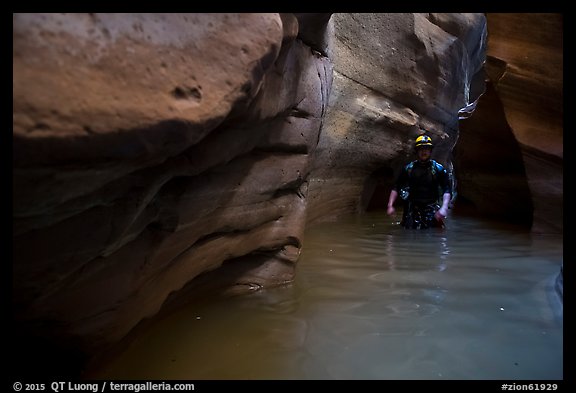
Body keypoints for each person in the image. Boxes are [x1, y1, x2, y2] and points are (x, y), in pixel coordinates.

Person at [386, 134, 452, 229]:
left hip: (431, 208)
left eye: (426, 148)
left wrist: (444, 207)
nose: (423, 151)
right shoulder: (409, 169)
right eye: (421, 149)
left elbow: (447, 188)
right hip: (412, 209)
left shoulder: (438, 169)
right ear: (416, 151)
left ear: (430, 151)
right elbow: (397, 187)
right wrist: (390, 205)